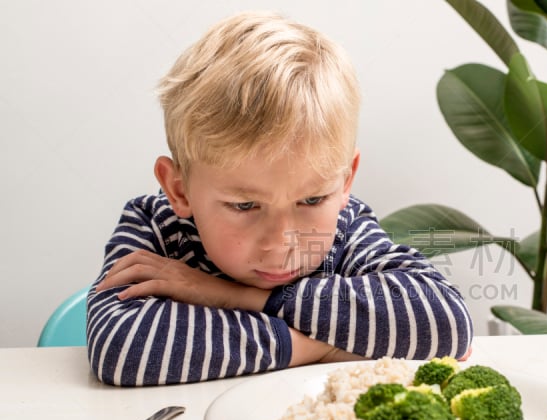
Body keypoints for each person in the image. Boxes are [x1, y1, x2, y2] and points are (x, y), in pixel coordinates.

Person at [87, 11, 473, 386]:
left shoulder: (347, 227)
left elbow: (448, 321)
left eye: (311, 201)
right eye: (244, 205)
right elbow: (123, 349)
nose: (281, 243)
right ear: (179, 189)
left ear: (344, 182)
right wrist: (317, 348)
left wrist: (234, 297)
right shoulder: (155, 226)